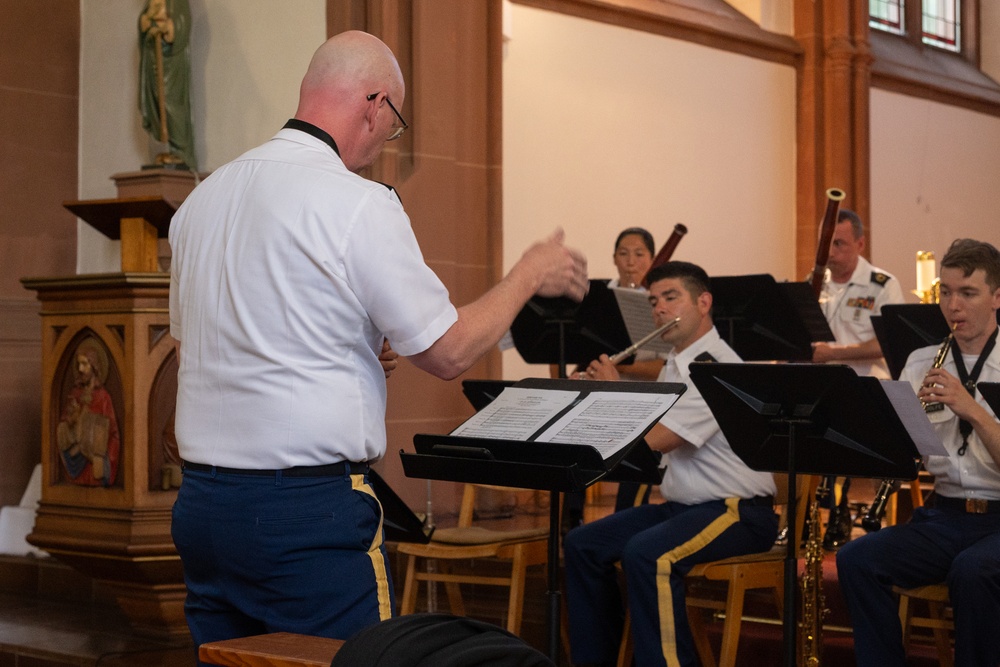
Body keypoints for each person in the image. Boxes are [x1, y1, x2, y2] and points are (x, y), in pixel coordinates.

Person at [167, 30, 588, 658]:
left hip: (203, 508)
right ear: (374, 103)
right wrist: (529, 271)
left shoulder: (201, 201)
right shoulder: (356, 203)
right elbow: (447, 351)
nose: (383, 145)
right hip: (305, 513)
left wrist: (347, 352)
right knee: (355, 659)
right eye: (392, 125)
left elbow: (198, 348)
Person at [564, 261, 778, 667]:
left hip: (737, 512)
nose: (659, 308)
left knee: (647, 555)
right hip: (688, 508)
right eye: (653, 301)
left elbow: (655, 441)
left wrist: (611, 392)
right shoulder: (675, 362)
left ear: (703, 302)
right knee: (582, 544)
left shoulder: (716, 366)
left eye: (670, 297)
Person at [836, 238, 1000, 667]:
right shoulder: (922, 361)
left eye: (968, 293)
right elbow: (908, 454)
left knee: (973, 570)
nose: (953, 306)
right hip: (943, 514)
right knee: (857, 558)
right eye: (945, 292)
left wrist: (972, 410)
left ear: (998, 297)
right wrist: (891, 438)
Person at [810, 208, 904, 548]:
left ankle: (837, 507)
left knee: (839, 415)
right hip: (823, 388)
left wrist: (834, 354)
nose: (831, 251)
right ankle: (812, 513)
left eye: (839, 243)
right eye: (825, 243)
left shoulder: (882, 284)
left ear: (860, 243)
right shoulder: (814, 281)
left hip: (869, 388)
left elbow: (885, 345)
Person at [138, 0, 196, 169]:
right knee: (157, 100)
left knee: (171, 102)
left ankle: (180, 152)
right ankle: (172, 150)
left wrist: (166, 28)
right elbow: (142, 24)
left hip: (171, 59)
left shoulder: (177, 2)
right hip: (153, 56)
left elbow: (181, 24)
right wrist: (147, 22)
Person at [56, 338, 121, 487]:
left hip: (93, 461)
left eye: (85, 364)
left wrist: (101, 456)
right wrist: (71, 421)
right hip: (75, 460)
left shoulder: (103, 397)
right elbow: (64, 426)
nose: (80, 369)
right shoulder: (75, 393)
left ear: (94, 366)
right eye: (79, 363)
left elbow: (112, 433)